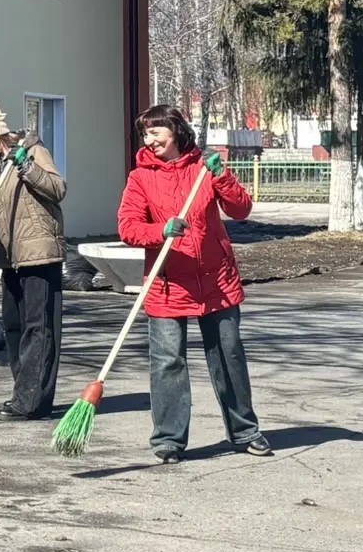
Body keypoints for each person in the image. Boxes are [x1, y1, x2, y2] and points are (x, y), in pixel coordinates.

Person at [116, 103, 273, 463]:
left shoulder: (204, 169)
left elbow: (241, 209)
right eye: (145, 134)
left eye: (156, 131)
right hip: (168, 284)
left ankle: (245, 430)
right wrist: (160, 231)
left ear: (175, 131)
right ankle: (169, 439)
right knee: (168, 362)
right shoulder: (140, 178)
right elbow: (127, 227)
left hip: (216, 280)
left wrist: (222, 177)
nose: (149, 139)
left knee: (229, 357)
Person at [0, 97, 68, 421]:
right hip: (10, 256)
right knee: (14, 326)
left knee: (40, 328)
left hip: (39, 252)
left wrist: (27, 167)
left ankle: (31, 402)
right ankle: (24, 393)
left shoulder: (33, 150)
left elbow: (58, 188)